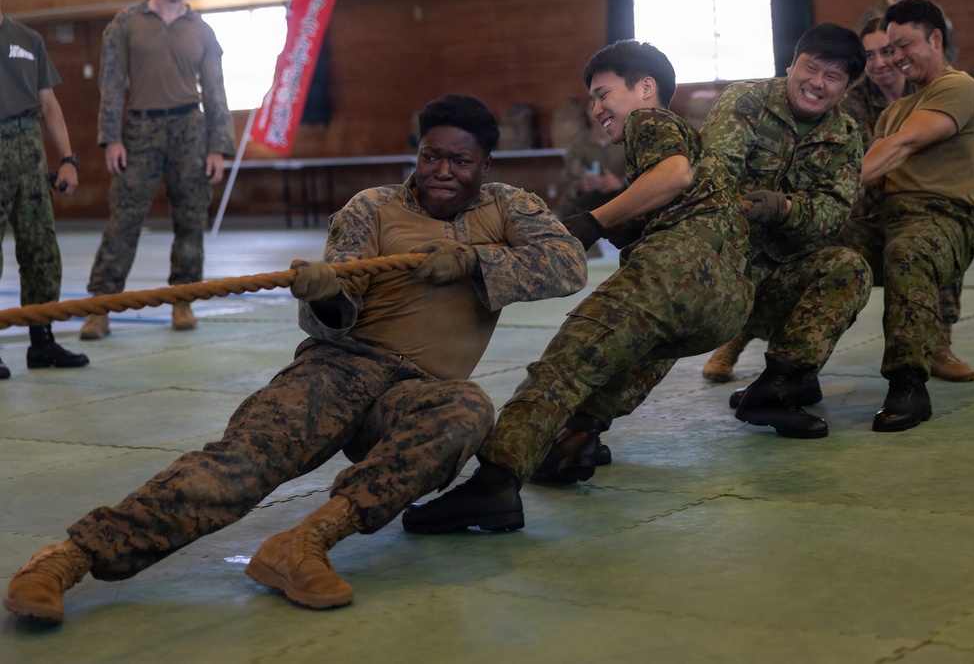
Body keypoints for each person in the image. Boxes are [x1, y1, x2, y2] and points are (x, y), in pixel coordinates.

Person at [2, 94, 588, 623]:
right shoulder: (373, 208)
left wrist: (472, 262)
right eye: (431, 156)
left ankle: (303, 543)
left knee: (466, 410)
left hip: (414, 393)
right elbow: (335, 311)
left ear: (485, 166)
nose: (441, 171)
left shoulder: (509, 208)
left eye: (459, 162)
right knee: (240, 467)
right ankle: (69, 557)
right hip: (339, 368)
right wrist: (327, 291)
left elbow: (569, 264)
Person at [401, 39, 753, 531]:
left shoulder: (650, 123)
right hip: (727, 300)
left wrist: (593, 222)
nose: (597, 108)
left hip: (675, 270)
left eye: (604, 93)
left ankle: (495, 485)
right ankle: (577, 440)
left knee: (566, 366)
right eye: (592, 99)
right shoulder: (681, 139)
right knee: (624, 359)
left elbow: (674, 175)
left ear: (646, 88)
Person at [699, 23, 873, 439]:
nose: (816, 83)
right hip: (717, 265)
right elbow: (714, 179)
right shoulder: (747, 101)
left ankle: (776, 390)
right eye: (810, 68)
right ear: (792, 64)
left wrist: (787, 209)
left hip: (777, 275)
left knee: (849, 268)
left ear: (846, 89)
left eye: (832, 77)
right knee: (651, 335)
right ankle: (582, 425)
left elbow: (835, 212)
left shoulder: (846, 136)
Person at [841, 0, 974, 432]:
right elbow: (874, 173)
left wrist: (840, 183)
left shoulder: (959, 87)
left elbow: (901, 146)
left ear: (936, 38)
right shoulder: (892, 110)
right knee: (823, 253)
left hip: (945, 218)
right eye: (888, 49)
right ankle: (791, 372)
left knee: (909, 251)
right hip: (890, 215)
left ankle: (907, 384)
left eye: (903, 45)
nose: (894, 57)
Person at [78, 0, 236, 340]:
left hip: (191, 129)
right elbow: (112, 84)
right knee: (124, 219)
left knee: (191, 220)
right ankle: (100, 307)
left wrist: (219, 147)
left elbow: (214, 91)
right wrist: (111, 138)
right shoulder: (125, 23)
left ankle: (183, 300)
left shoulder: (202, 30)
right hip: (140, 130)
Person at [0, 0, 90, 380]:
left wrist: (68, 158)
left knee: (41, 247)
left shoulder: (28, 38)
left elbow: (48, 103)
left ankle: (42, 340)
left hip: (30, 148)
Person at [557, 107, 628, 258]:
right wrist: (581, 184)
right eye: (592, 108)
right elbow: (567, 180)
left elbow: (645, 176)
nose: (598, 113)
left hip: (622, 197)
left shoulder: (626, 138)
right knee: (567, 203)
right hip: (590, 199)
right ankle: (576, 248)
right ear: (588, 113)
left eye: (604, 108)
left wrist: (621, 183)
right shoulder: (579, 145)